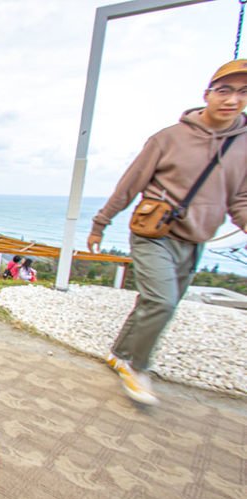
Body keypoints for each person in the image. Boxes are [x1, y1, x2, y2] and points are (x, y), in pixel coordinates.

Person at [87, 59, 247, 406]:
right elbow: (128, 187)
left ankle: (119, 353)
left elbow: (240, 200)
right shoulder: (168, 139)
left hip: (196, 241)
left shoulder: (243, 146)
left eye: (243, 92)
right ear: (208, 94)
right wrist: (101, 223)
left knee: (151, 302)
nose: (232, 99)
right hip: (153, 234)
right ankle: (137, 366)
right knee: (163, 301)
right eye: (224, 90)